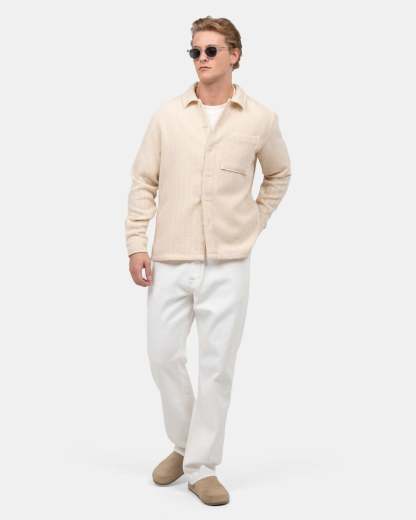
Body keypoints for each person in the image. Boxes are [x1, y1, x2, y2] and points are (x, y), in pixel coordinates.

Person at [125, 16, 291, 506]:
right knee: (163, 356)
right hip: (170, 257)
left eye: (211, 50)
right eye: (195, 51)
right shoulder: (168, 115)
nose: (202, 59)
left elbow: (279, 174)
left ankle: (201, 466)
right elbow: (144, 181)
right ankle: (184, 444)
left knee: (217, 367)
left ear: (234, 55)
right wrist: (136, 242)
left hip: (228, 262)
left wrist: (254, 221)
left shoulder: (260, 118)